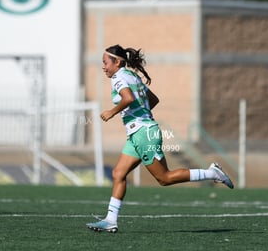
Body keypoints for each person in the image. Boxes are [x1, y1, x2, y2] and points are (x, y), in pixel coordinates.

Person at [86, 44, 233, 233]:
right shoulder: (132, 76)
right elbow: (153, 99)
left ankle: (212, 173)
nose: (103, 66)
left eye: (105, 62)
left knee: (164, 178)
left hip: (143, 134)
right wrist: (142, 115)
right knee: (118, 174)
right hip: (138, 133)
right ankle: (110, 220)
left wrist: (112, 112)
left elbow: (128, 98)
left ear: (117, 62)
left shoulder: (118, 78)